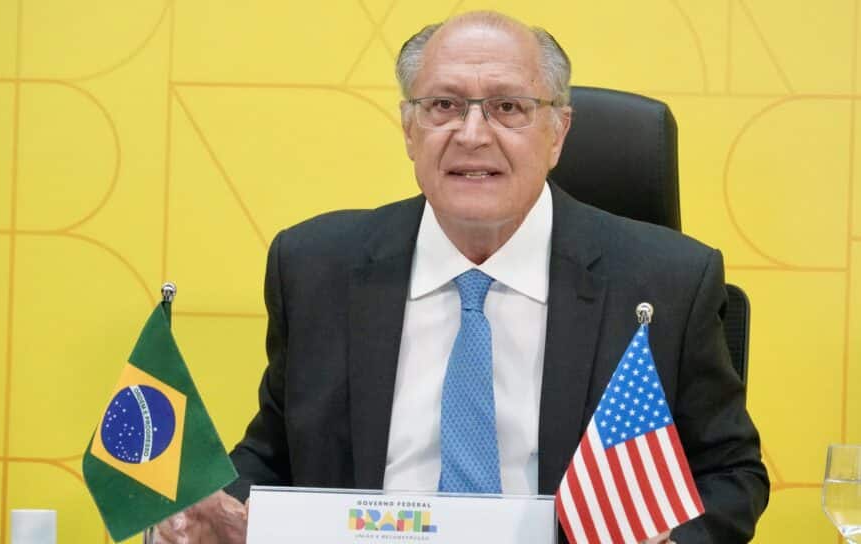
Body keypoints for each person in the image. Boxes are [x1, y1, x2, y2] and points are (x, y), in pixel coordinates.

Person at [155, 11, 768, 543]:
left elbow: (730, 473)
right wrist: (219, 511)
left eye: (508, 107)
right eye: (444, 106)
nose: (472, 136)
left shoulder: (666, 282)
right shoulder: (316, 267)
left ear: (558, 132)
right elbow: (275, 454)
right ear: (409, 128)